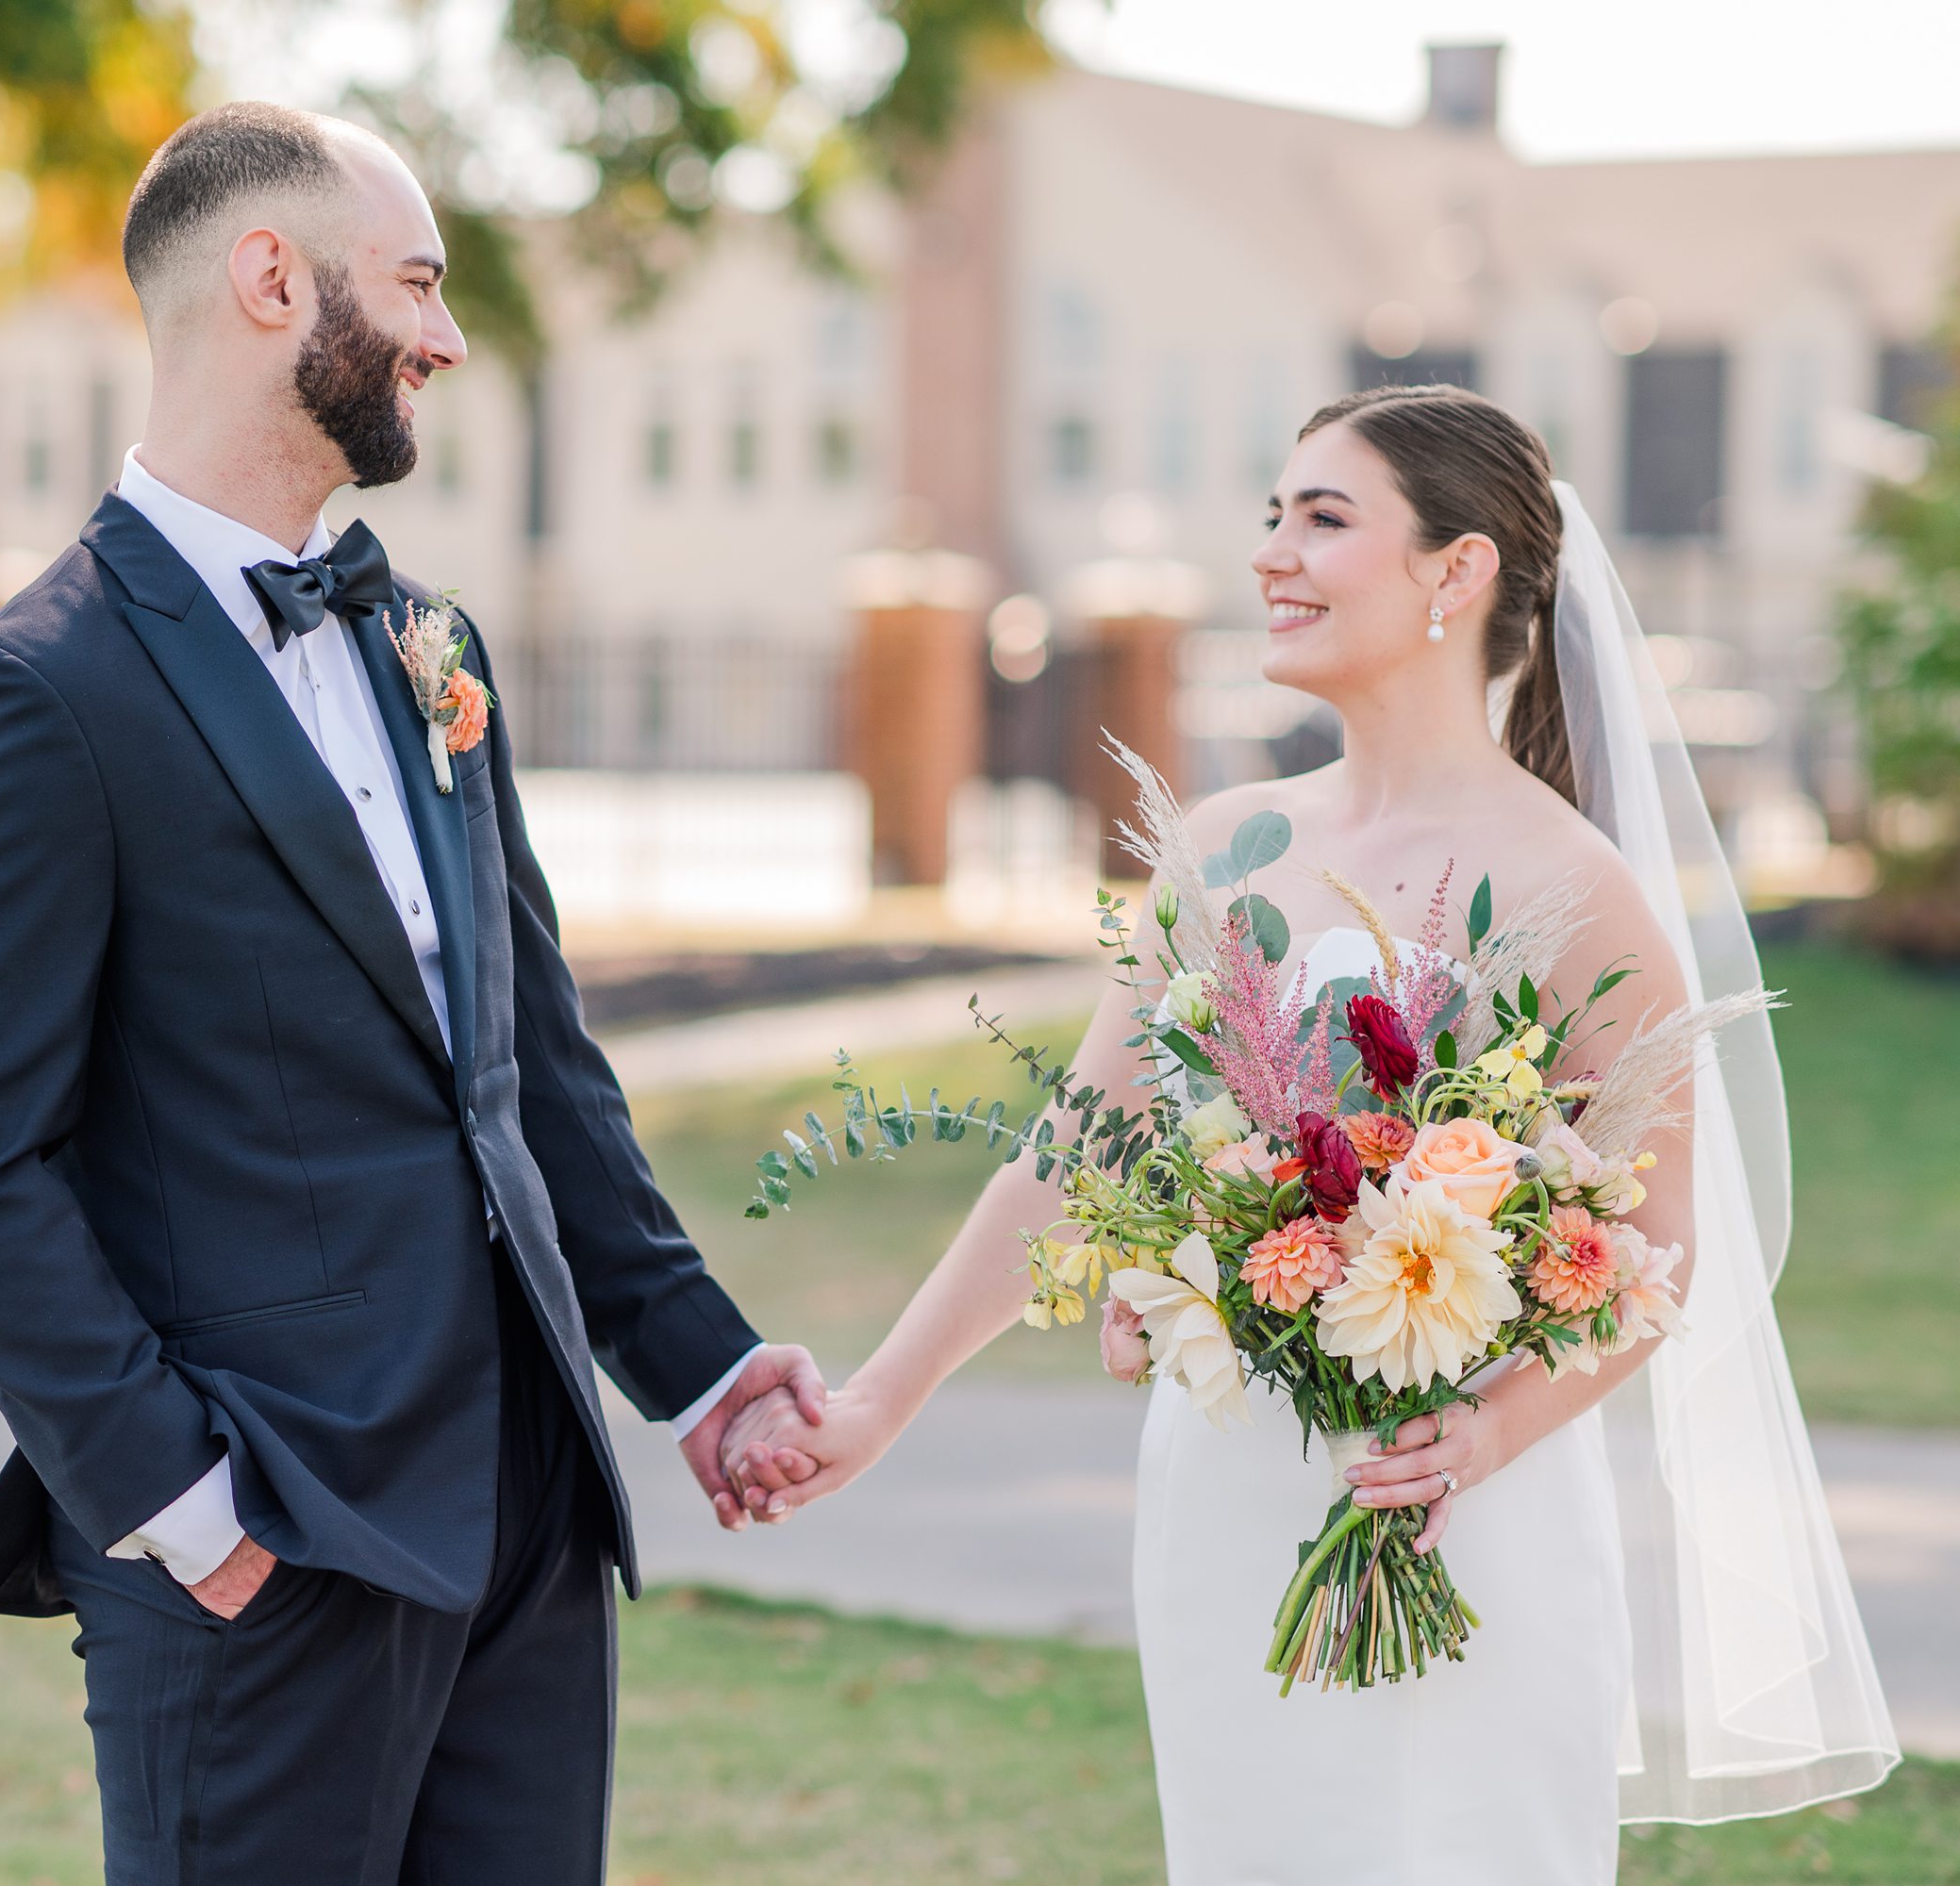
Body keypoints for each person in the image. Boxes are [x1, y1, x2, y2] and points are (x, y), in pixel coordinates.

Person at [723, 384, 1895, 1878]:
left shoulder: (1573, 882)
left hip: (1467, 1511)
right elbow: (1081, 1158)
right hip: (1226, 1494)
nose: (1274, 553)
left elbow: (1658, 1256)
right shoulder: (1228, 850)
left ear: (1455, 572)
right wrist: (884, 1400)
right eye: (1272, 516)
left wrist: (1485, 1431)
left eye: (1325, 520)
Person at [0, 101, 825, 1884]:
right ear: (269, 280)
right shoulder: (26, 694)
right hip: (274, 1529)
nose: (448, 338)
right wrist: (181, 1505)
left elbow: (529, 1066)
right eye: (417, 284)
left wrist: (699, 1375)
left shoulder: (432, 647)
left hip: (525, 1511)